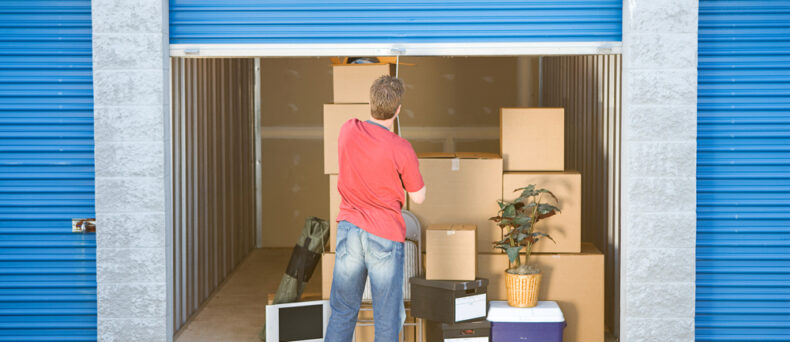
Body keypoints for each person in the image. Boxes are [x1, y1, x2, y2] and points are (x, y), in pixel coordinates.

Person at [325, 75, 426, 342]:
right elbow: (418, 197)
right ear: (398, 110)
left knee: (343, 310)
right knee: (386, 317)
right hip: (384, 234)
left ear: (370, 103)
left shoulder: (348, 130)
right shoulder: (401, 148)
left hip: (350, 230)